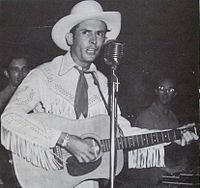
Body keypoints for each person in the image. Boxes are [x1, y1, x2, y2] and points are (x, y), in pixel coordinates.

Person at [0, 1, 197, 188]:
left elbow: (121, 131)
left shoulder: (103, 83)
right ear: (70, 38)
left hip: (87, 181)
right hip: (47, 176)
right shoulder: (44, 75)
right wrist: (65, 140)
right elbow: (9, 118)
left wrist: (170, 136)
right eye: (86, 32)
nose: (94, 41)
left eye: (100, 34)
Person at [120, 75, 199, 188]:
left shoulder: (172, 117)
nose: (165, 93)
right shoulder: (146, 116)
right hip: (151, 176)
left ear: (175, 94)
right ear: (156, 91)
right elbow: (143, 156)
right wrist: (172, 169)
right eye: (162, 89)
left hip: (169, 172)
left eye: (170, 90)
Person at [0, 54, 30, 187]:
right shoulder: (5, 95)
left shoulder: (35, 92)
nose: (21, 74)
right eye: (15, 70)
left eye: (24, 69)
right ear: (6, 73)